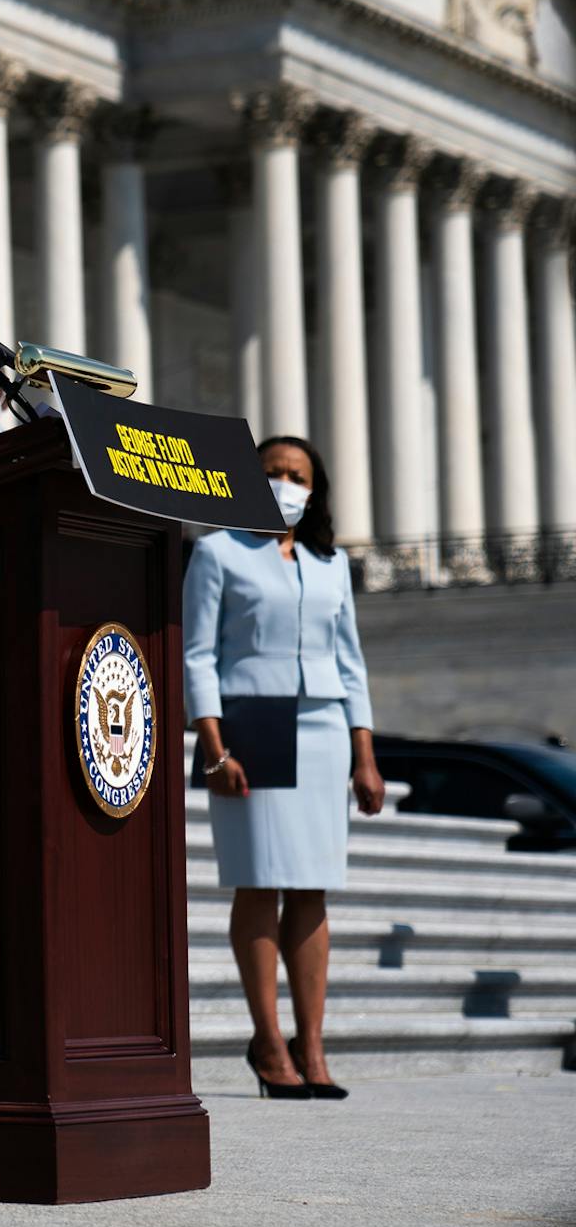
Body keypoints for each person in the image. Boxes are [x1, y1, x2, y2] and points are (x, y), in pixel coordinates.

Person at [188, 434, 384, 1102]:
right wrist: (213, 749)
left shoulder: (332, 564)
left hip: (326, 725)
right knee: (259, 882)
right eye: (273, 471)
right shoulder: (217, 551)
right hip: (251, 724)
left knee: (311, 889)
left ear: (315, 486)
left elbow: (352, 662)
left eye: (298, 474)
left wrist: (366, 756)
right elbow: (197, 657)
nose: (285, 483)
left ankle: (314, 1047)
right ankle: (269, 1044)